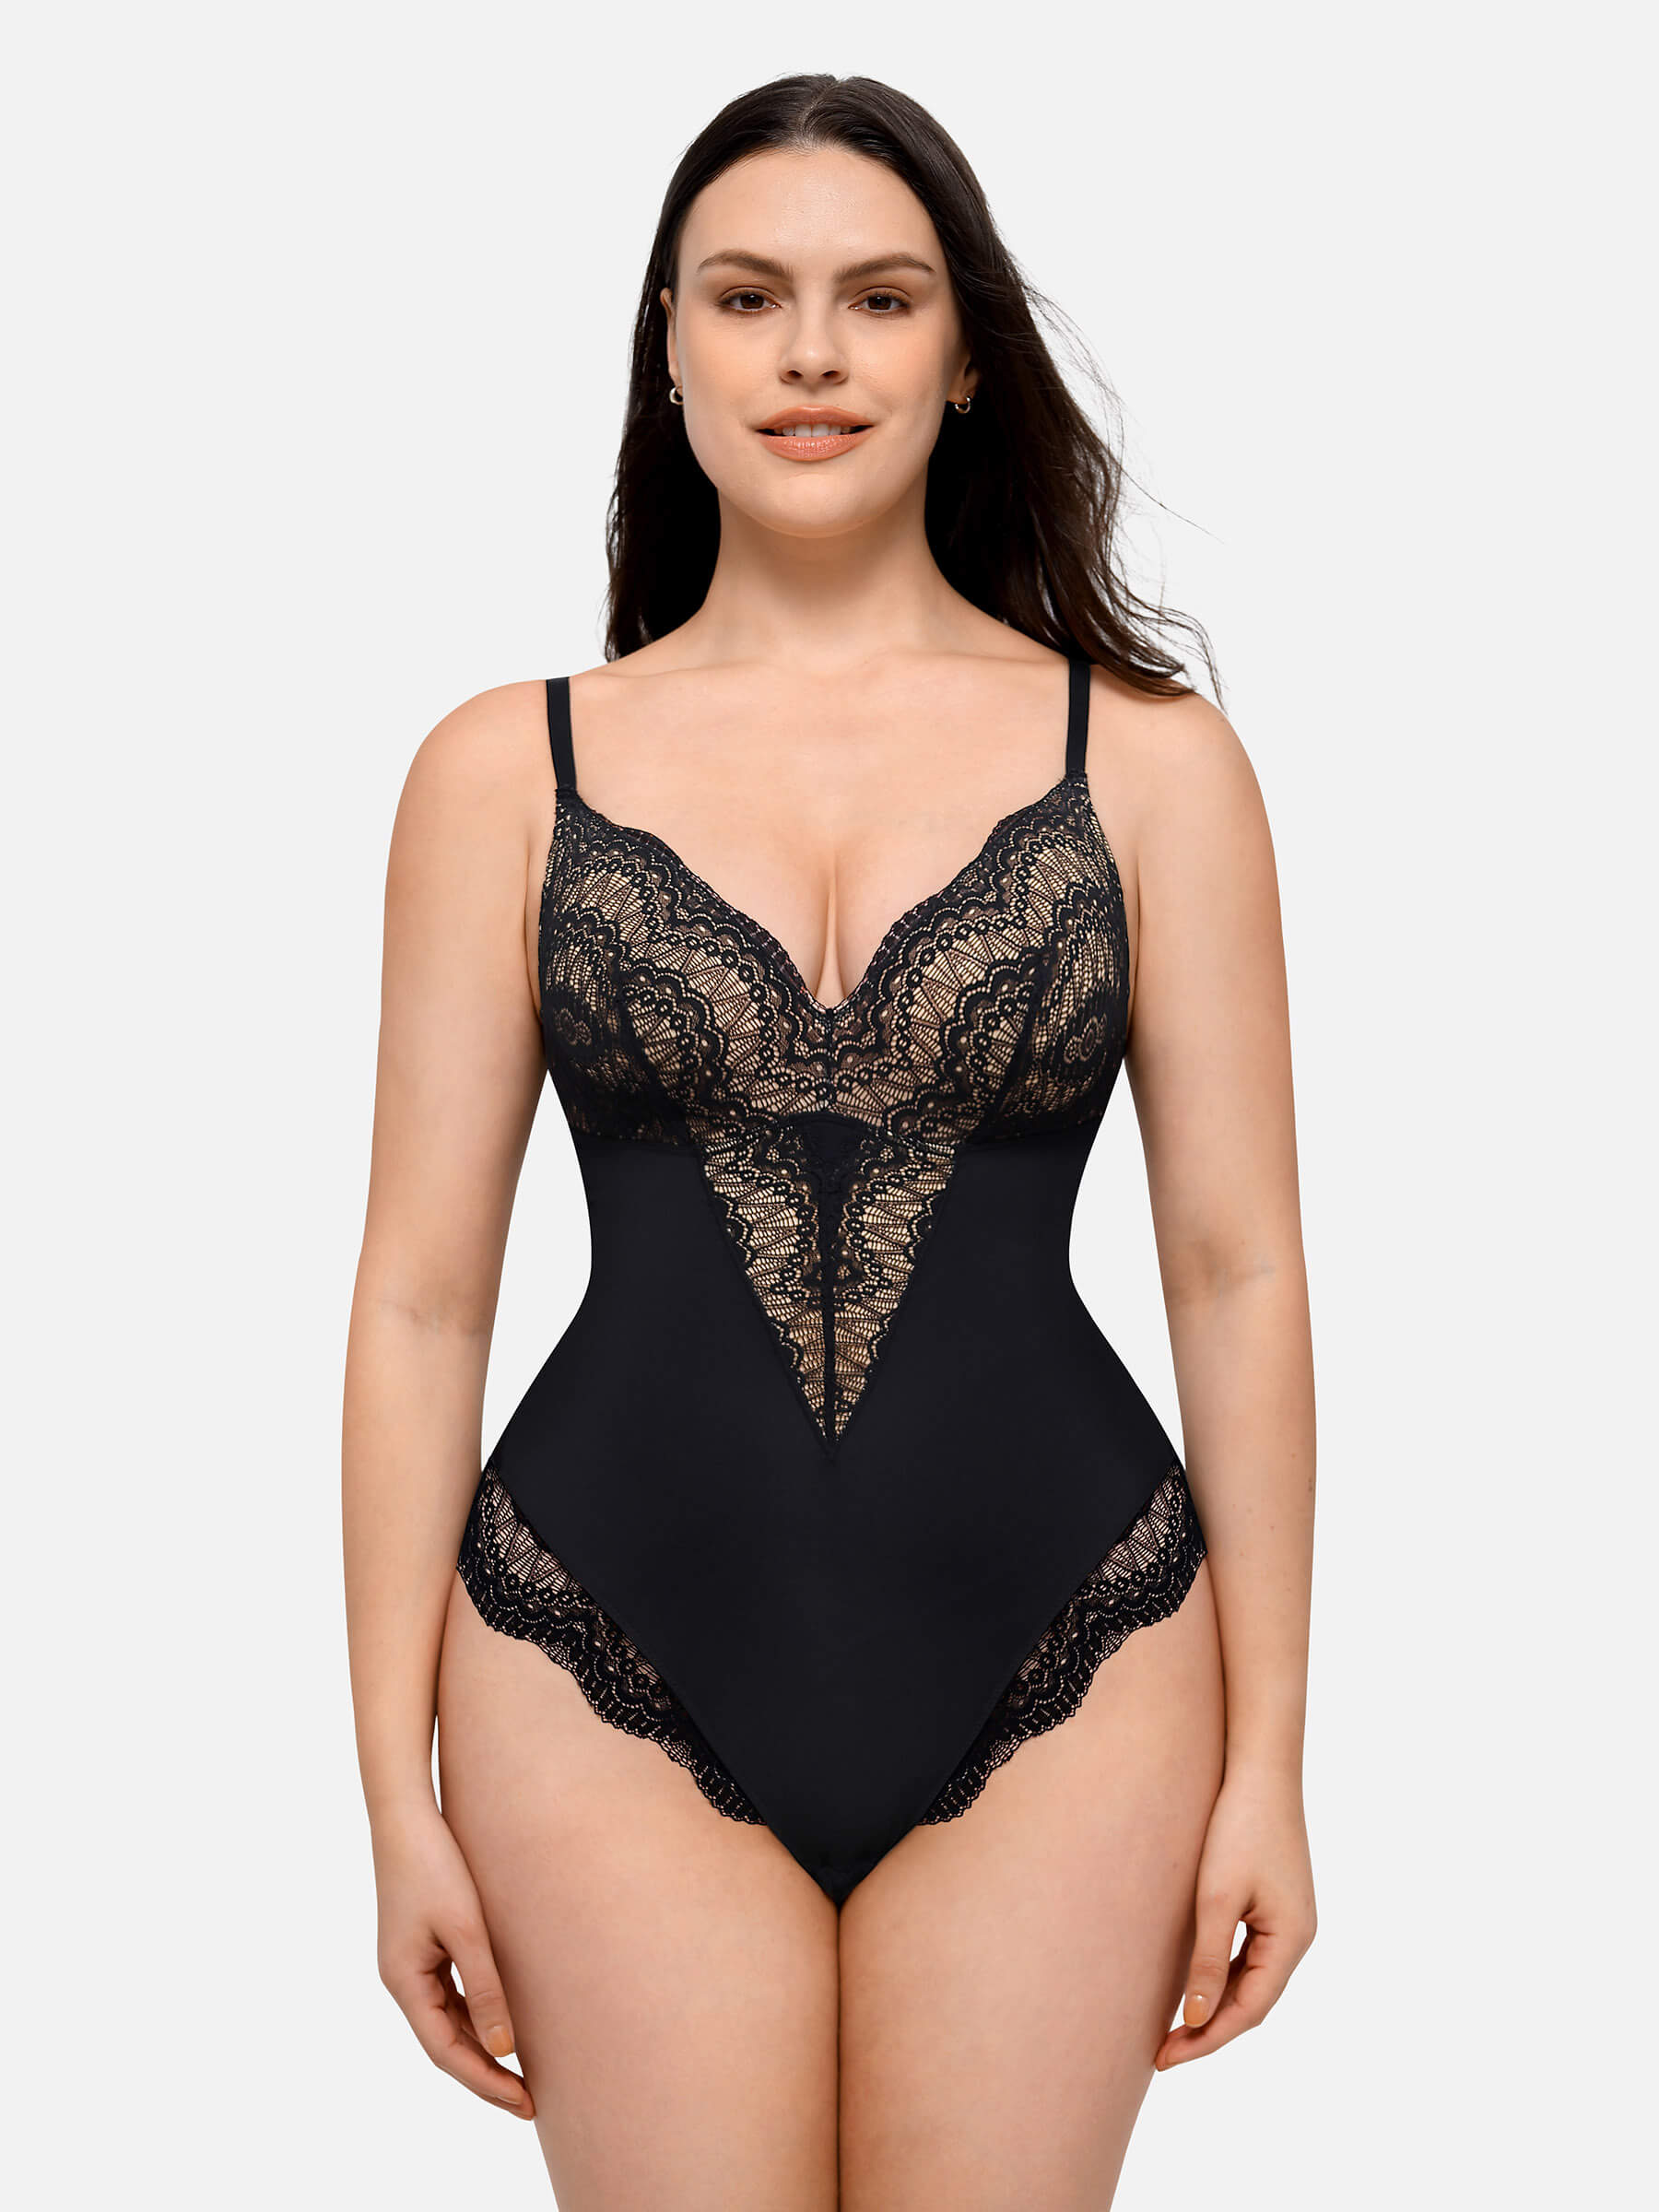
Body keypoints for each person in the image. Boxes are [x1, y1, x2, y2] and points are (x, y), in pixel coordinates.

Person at [343, 72, 1317, 2210]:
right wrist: (390, 1794)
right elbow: (418, 1301)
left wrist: (1273, 1763)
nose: (809, 354)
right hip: (592, 1652)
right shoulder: (503, 773)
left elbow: (1239, 1271)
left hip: (1077, 1650)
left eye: (878, 299)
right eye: (747, 297)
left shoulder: (1157, 768)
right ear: (667, 345)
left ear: (965, 356)